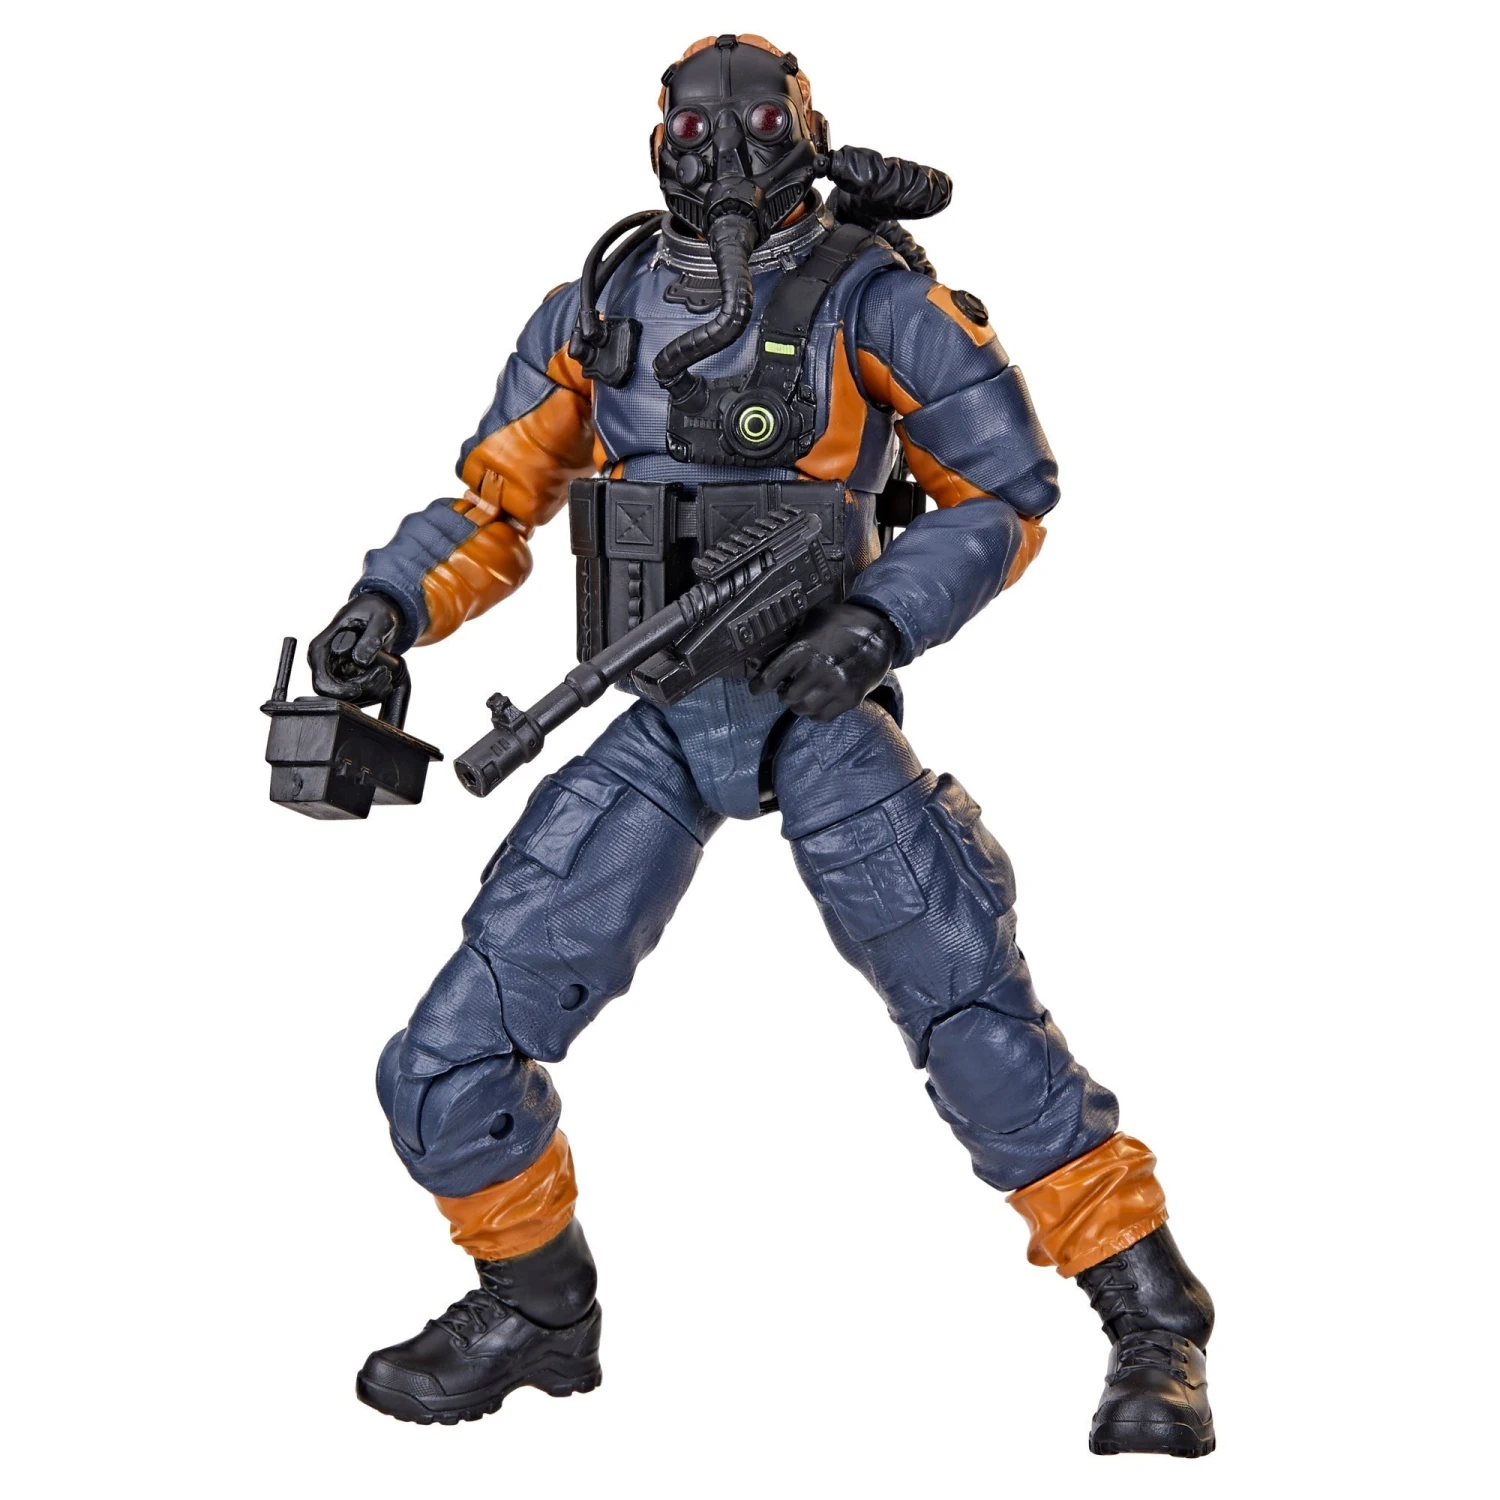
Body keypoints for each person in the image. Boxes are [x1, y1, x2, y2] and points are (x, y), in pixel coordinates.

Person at [305, 33, 1216, 1456]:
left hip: (818, 716)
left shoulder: (875, 297)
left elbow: (1007, 490)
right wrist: (388, 610)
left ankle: (1153, 1321)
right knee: (449, 1052)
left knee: (970, 1016)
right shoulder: (597, 307)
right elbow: (492, 506)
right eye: (694, 132)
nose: (722, 154)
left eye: (756, 128)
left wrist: (879, 622)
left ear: (808, 132)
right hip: (664, 716)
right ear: (656, 143)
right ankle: (538, 1312)